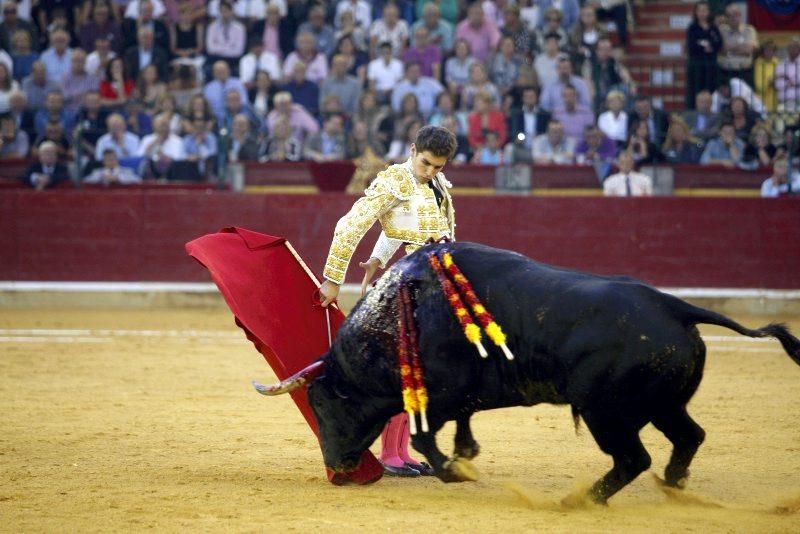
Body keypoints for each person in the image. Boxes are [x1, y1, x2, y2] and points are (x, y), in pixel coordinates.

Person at [318, 125, 458, 478]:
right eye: (426, 163)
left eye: (438, 167)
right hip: (406, 289)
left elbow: (400, 229)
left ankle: (400, 451)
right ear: (412, 150)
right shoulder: (393, 180)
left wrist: (379, 257)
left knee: (417, 373)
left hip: (432, 288)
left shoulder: (437, 184)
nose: (430, 172)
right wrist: (333, 281)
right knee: (401, 373)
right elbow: (349, 227)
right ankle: (389, 454)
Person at [685, 0, 722, 109]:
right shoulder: (692, 28)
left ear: (709, 12)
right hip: (696, 66)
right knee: (696, 91)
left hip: (711, 66)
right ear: (696, 12)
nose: (702, 13)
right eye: (699, 10)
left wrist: (707, 46)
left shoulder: (713, 28)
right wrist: (706, 47)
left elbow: (718, 44)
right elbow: (692, 46)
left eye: (704, 10)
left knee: (711, 90)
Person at [718, 3, 758, 87]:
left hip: (744, 72)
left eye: (735, 15)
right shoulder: (721, 30)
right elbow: (720, 49)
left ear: (740, 16)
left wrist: (729, 50)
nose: (733, 18)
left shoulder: (749, 30)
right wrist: (740, 48)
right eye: (729, 16)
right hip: (725, 73)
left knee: (745, 98)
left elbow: (748, 50)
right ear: (726, 18)